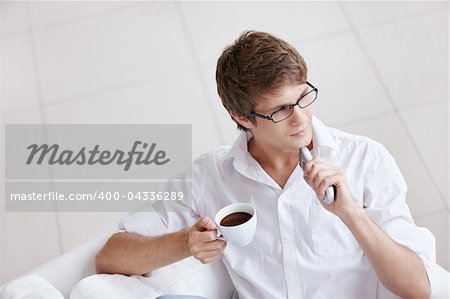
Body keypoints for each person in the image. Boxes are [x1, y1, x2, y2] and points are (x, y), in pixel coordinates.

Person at [95, 31, 435, 298]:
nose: (301, 119)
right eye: (281, 110)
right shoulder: (210, 176)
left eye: (303, 97)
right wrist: (185, 243)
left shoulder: (364, 159)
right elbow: (111, 256)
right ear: (242, 117)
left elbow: (418, 287)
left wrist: (351, 214)